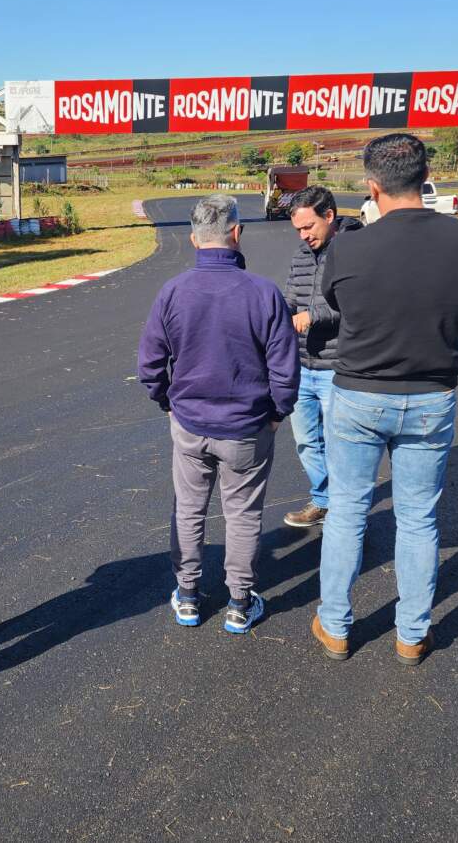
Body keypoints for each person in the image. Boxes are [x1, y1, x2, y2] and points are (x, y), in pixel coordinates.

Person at [312, 134, 458, 666]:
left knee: (346, 512)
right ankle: (412, 634)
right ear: (425, 176)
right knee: (418, 519)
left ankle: (337, 626)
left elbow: (334, 300)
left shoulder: (348, 244)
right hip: (432, 394)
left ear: (372, 186)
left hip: (360, 394)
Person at [138, 194, 300, 634]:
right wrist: (278, 412)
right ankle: (239, 602)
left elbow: (150, 364)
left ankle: (188, 596)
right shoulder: (264, 293)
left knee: (188, 511)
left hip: (190, 424)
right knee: (243, 514)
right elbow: (285, 367)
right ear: (237, 233)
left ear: (193, 239)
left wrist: (166, 401)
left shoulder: (173, 292)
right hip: (247, 428)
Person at [280, 186, 361, 531]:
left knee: (340, 444)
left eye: (309, 227)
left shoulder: (356, 250)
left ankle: (347, 511)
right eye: (298, 229)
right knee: (307, 440)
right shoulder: (301, 255)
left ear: (329, 216)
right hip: (303, 365)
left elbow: (358, 302)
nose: (304, 235)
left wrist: (313, 314)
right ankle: (324, 500)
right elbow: (289, 299)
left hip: (338, 366)